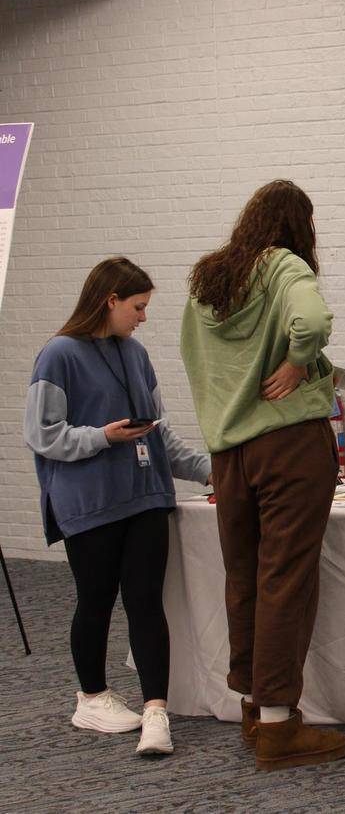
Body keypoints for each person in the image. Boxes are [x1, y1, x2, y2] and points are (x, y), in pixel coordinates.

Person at [180, 179, 345, 772]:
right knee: (286, 579)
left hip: (230, 452)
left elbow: (194, 356)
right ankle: (279, 726)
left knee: (244, 575)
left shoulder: (210, 279)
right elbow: (312, 319)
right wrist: (298, 364)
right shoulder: (284, 266)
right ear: (297, 226)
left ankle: (254, 704)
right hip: (288, 446)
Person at [25, 257, 212, 757]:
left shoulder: (136, 354)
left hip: (147, 498)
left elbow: (159, 433)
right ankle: (91, 697)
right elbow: (42, 435)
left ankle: (156, 711)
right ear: (110, 301)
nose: (143, 317)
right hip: (91, 504)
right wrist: (103, 437)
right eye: (138, 307)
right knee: (96, 600)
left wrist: (214, 472)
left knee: (147, 602)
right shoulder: (59, 355)